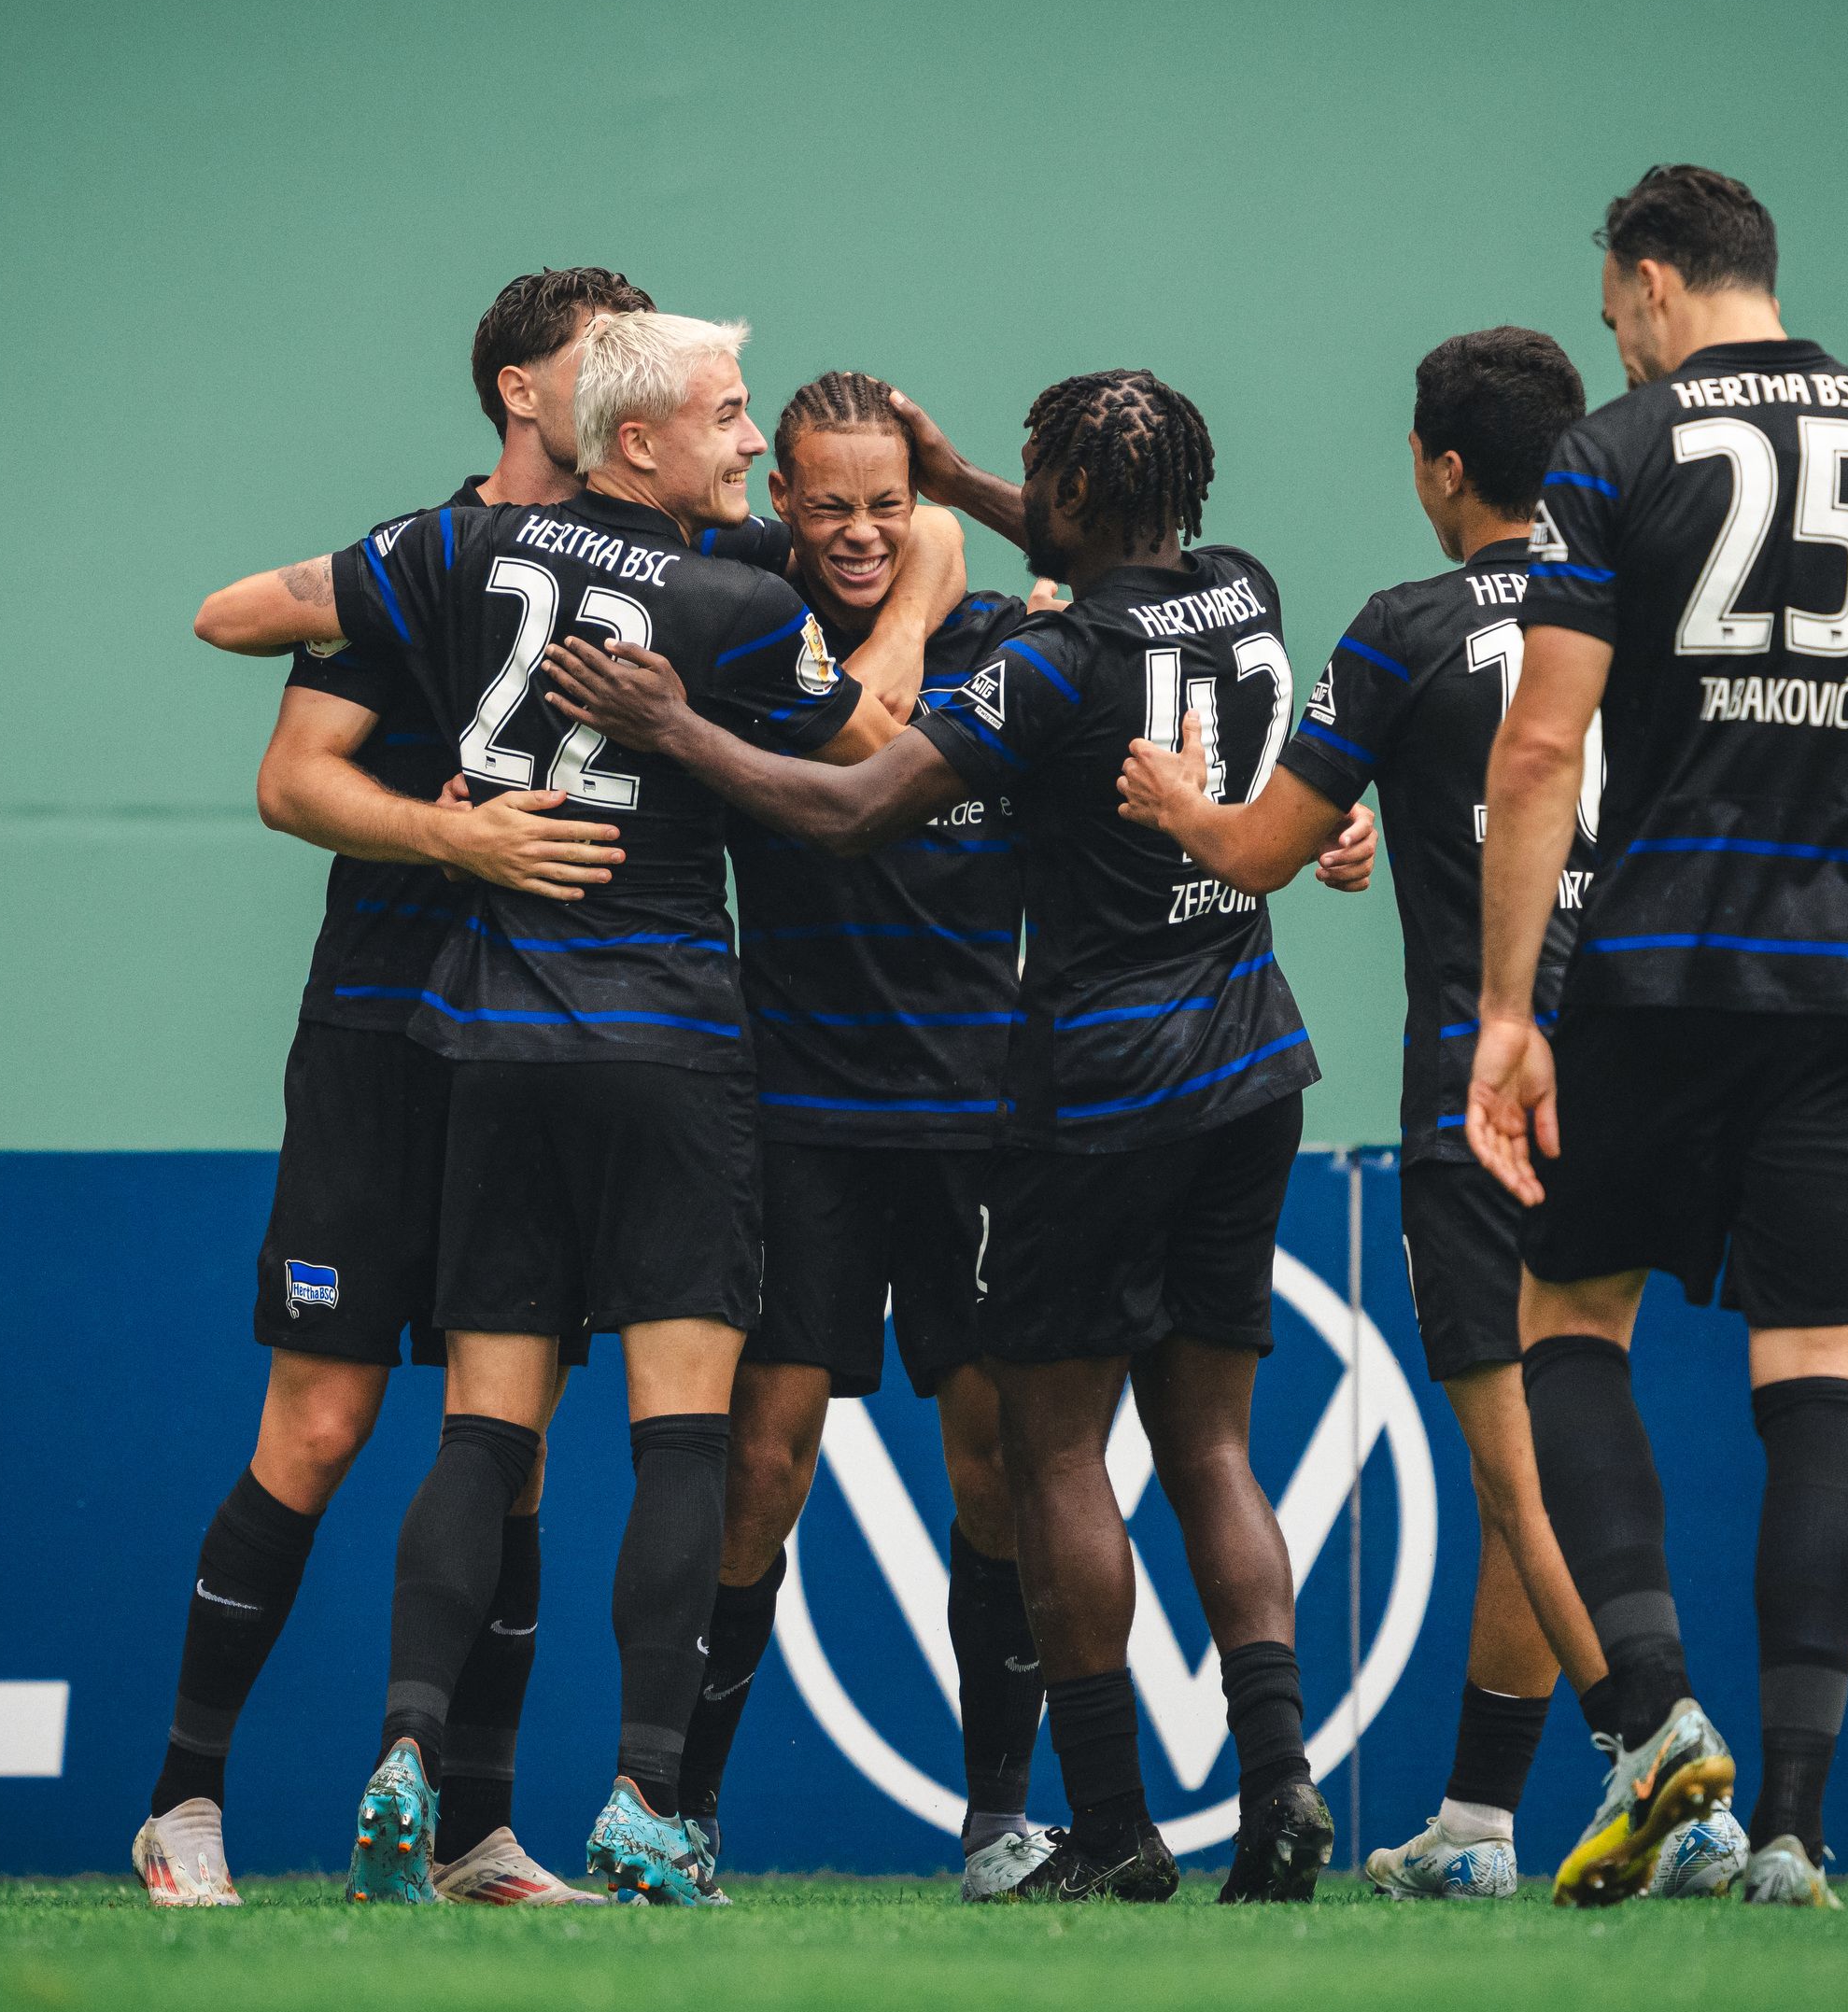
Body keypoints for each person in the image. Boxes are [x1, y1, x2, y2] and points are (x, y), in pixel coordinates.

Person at [543, 371, 1341, 1905]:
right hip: (859, 1117)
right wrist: (966, 498)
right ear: (780, 500)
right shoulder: (741, 628)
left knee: (1022, 1460)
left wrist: (685, 722)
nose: (859, 532)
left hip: (1028, 1106)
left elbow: (860, 797)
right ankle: (689, 1810)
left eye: (887, 507)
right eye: (828, 503)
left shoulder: (1027, 654)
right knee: (793, 1461)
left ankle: (1037, 1820)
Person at [214, 307, 893, 1906]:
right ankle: (646, 1797)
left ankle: (403, 1749)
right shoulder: (738, 601)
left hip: (489, 1047)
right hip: (663, 1047)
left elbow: (251, 613)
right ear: (638, 440)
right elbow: (875, 761)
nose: (752, 446)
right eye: (731, 420)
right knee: (679, 1439)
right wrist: (921, 576)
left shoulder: (453, 555)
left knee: (479, 1430)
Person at [1114, 326, 1747, 1902]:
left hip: (1485, 1078)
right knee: (1544, 1444)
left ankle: (1659, 1747)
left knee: (1518, 1461)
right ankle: (1475, 1825)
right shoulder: (1647, 610)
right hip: (1647, 1064)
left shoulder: (1404, 627)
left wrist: (1179, 804)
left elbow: (1259, 851)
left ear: (1443, 468)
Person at [1465, 166, 1848, 1909]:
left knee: (1569, 1315)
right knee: (1817, 1378)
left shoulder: (1613, 452)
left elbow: (1541, 752)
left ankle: (1655, 1710)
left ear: (1650, 284)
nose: (1615, 338)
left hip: (1653, 966)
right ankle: (1792, 1825)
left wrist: (1509, 1010)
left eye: (1614, 308)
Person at [133, 265, 653, 1910]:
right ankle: (184, 1808)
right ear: (519, 388)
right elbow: (290, 778)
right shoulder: (421, 564)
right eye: (598, 359)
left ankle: (480, 1830)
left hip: (550, 1056)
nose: (630, 384)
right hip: (379, 1042)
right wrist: (460, 833)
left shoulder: (661, 573)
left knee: (516, 1449)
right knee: (326, 1419)